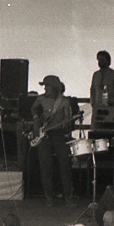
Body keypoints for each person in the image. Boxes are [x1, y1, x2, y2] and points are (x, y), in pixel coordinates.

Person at [30, 75, 74, 207]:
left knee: (65, 166)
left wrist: (67, 124)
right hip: (45, 135)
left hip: (59, 135)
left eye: (47, 85)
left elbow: (69, 119)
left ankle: (68, 198)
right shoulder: (40, 99)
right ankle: (48, 197)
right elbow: (33, 109)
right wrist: (36, 117)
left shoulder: (64, 101)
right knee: (45, 167)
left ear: (54, 87)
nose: (45, 88)